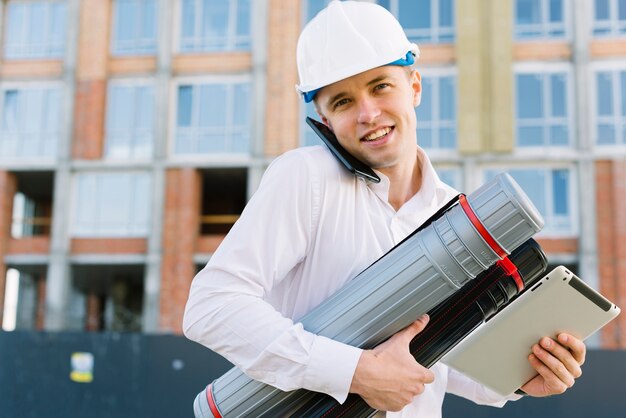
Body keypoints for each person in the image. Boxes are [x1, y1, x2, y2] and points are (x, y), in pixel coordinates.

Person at [183, 1, 586, 416]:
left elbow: (440, 359)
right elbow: (211, 307)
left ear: (414, 86)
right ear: (323, 120)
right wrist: (354, 371)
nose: (368, 114)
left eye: (380, 86)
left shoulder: (455, 215)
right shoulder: (306, 178)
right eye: (342, 102)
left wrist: (519, 377)